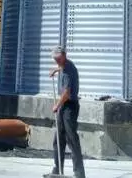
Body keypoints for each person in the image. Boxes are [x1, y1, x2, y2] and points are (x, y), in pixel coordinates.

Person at [46, 46, 86, 178]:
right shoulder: (64, 65)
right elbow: (62, 67)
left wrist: (57, 105)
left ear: (64, 55)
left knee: (71, 138)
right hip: (64, 105)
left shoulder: (69, 69)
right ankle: (57, 168)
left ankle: (79, 172)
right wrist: (55, 70)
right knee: (58, 138)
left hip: (70, 106)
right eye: (54, 59)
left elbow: (67, 93)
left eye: (58, 58)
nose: (56, 61)